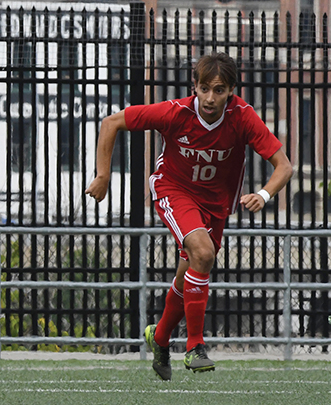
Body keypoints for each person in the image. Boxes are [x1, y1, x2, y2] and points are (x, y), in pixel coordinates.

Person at [85, 52, 292, 380]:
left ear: (232, 91)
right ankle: (195, 345)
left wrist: (263, 194)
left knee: (192, 271)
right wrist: (103, 175)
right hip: (174, 190)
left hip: (215, 205)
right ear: (193, 86)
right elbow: (111, 122)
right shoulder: (175, 112)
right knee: (204, 252)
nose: (211, 98)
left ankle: (161, 337)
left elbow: (284, 166)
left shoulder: (243, 117)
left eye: (220, 90)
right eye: (205, 89)